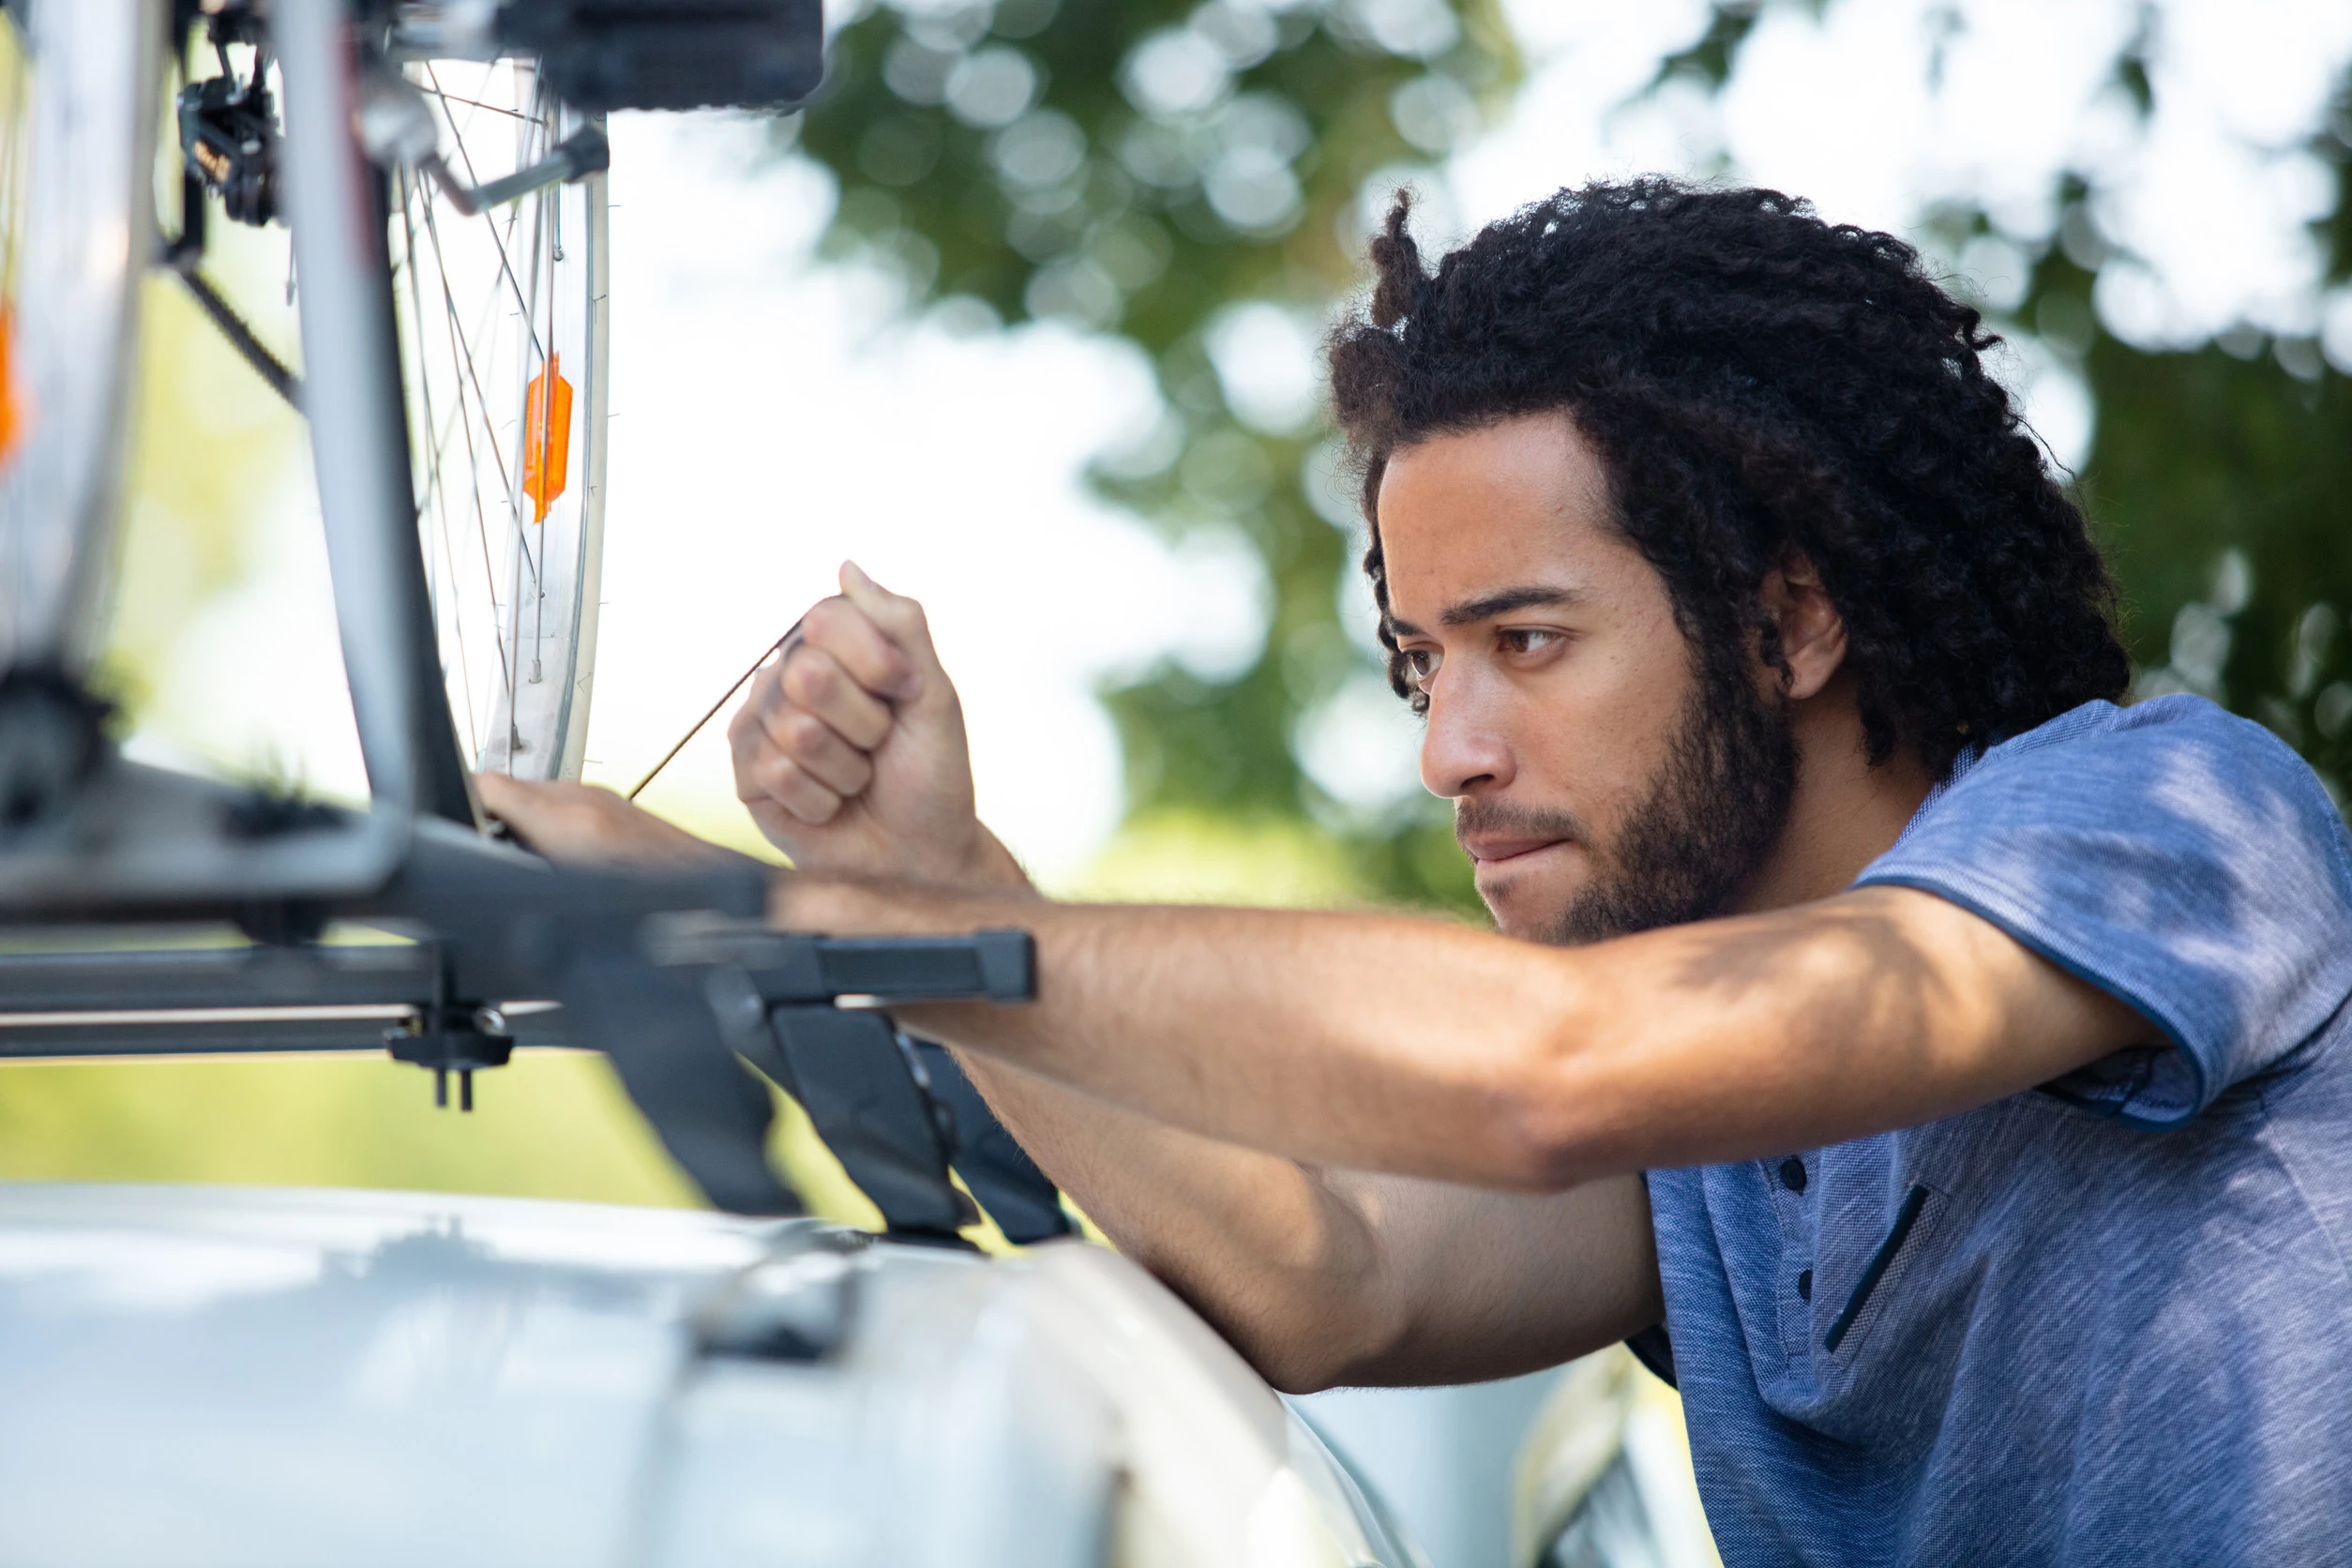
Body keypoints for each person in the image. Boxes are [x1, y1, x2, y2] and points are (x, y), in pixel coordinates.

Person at [478, 180, 2352, 1566]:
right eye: (1418, 664)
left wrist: (847, 926)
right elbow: (1333, 1276)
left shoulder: (2174, 819)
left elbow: (1549, 1067)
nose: (1449, 750)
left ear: (1788, 620)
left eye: (1525, 643)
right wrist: (930, 881)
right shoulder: (1707, 1148)